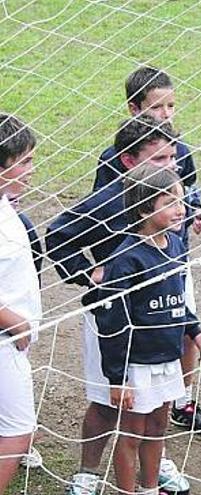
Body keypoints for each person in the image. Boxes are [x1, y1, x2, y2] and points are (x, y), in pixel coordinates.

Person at [46, 116, 201, 495]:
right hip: (115, 322)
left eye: (173, 157)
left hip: (163, 312)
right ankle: (89, 472)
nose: (171, 165)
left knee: (157, 407)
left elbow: (173, 252)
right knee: (108, 401)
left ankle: (155, 470)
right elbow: (57, 235)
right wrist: (88, 273)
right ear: (127, 161)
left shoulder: (173, 199)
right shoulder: (107, 202)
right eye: (158, 160)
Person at [91, 65, 201, 439]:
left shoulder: (181, 149)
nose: (166, 114)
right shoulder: (113, 157)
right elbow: (106, 210)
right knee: (143, 326)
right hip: (137, 262)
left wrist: (195, 213)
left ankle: (183, 400)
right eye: (157, 107)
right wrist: (101, 266)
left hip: (175, 255)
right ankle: (127, 396)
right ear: (134, 109)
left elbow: (188, 192)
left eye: (171, 106)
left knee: (183, 324)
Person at [93, 164, 201, 495]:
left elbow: (176, 297)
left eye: (181, 200)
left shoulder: (175, 244)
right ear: (144, 207)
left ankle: (149, 488)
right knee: (131, 433)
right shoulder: (126, 260)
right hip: (137, 366)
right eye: (170, 202)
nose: (181, 209)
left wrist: (196, 332)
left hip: (168, 359)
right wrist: (118, 379)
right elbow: (112, 324)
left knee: (158, 427)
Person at [0, 114, 42, 493]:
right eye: (24, 161)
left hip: (12, 341)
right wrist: (11, 319)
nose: (32, 169)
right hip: (3, 341)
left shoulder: (6, 205)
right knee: (17, 431)